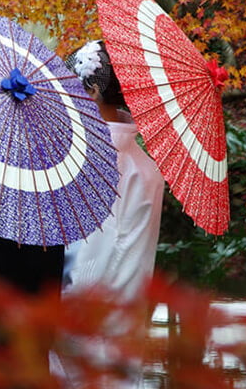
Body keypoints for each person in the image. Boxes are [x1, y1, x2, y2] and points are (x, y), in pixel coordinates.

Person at [58, 40, 166, 388]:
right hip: (126, 328)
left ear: (92, 92)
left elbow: (88, 268)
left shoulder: (93, 164)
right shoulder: (145, 166)